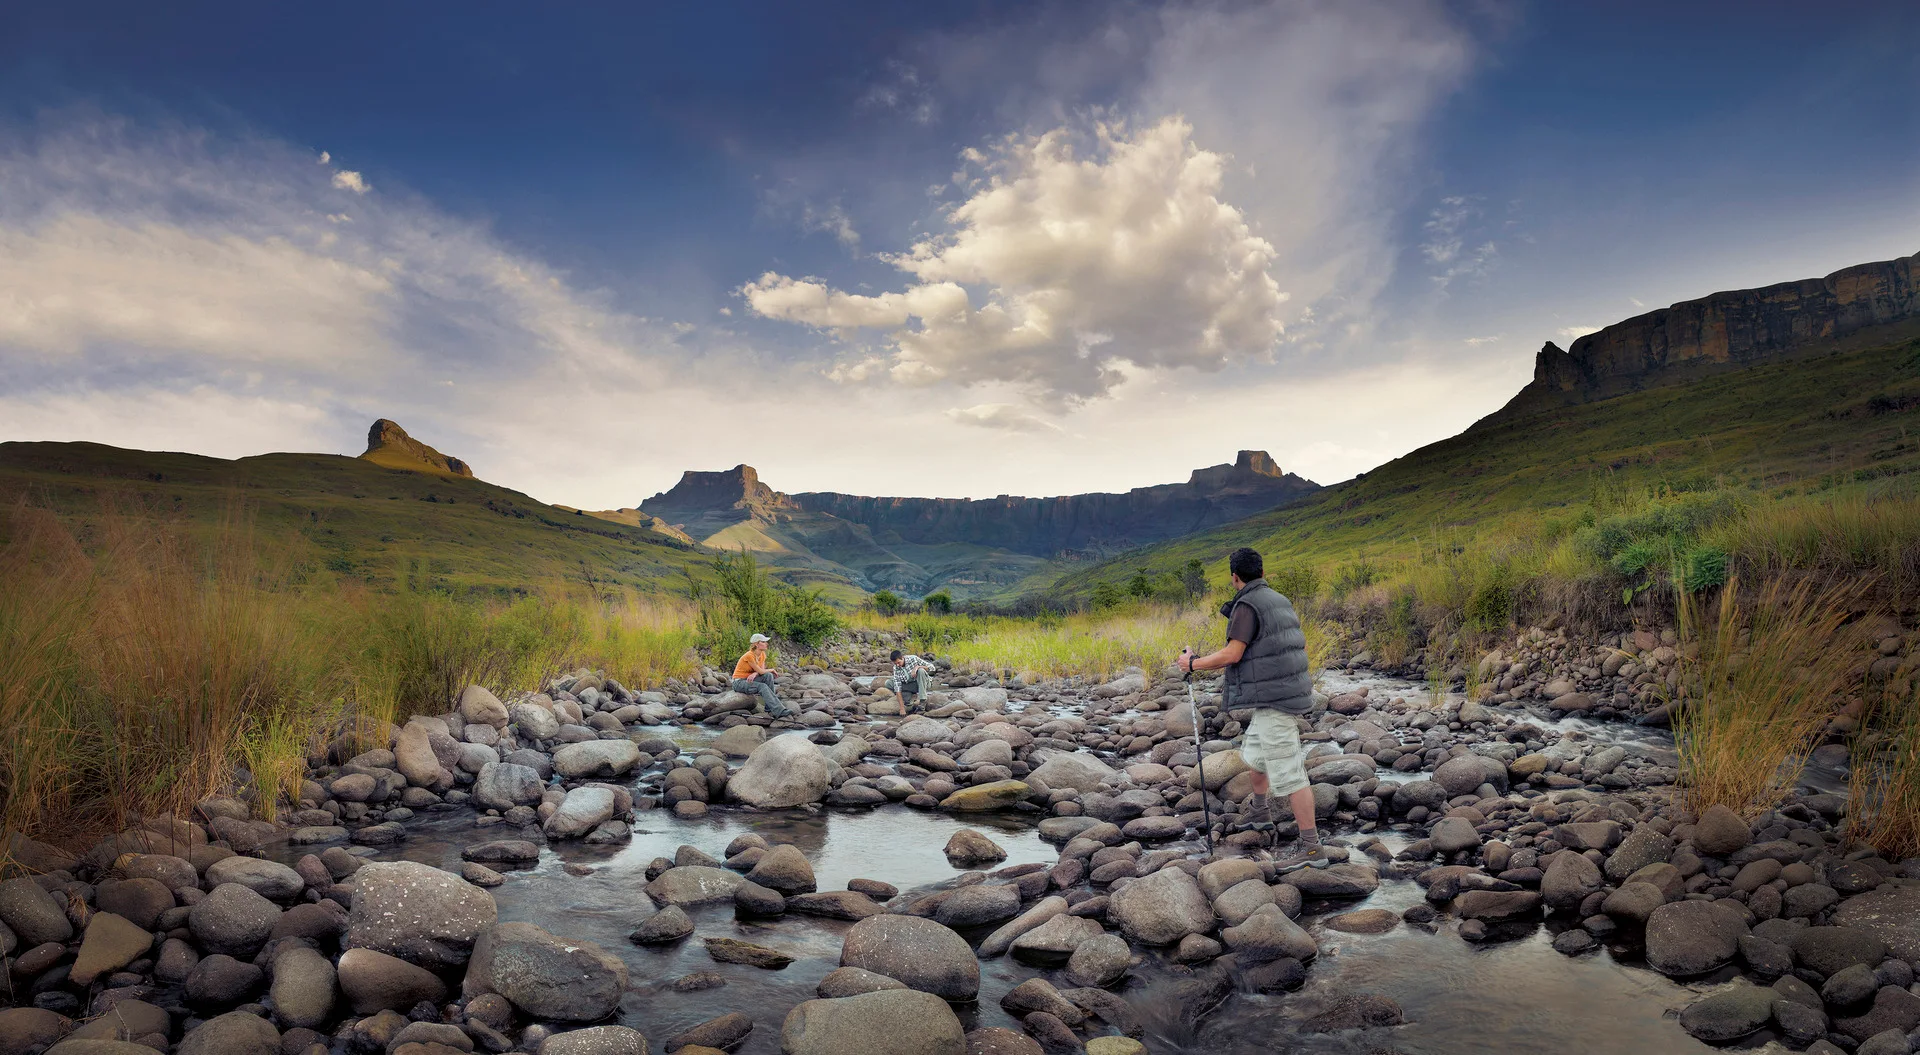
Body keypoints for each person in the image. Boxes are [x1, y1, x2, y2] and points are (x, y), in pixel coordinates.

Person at [1178, 546, 1324, 872]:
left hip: (1276, 700)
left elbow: (1233, 654)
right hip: (1281, 694)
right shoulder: (1278, 599)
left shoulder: (1248, 603)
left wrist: (1193, 663)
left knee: (1291, 774)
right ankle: (1260, 816)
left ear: (1234, 577)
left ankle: (1313, 850)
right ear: (1261, 571)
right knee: (1256, 757)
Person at [732, 633, 792, 718]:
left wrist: (754, 673)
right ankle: (779, 711)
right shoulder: (749, 655)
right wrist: (771, 669)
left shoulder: (762, 654)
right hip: (739, 682)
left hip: (749, 680)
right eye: (763, 642)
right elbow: (761, 670)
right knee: (762, 686)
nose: (766, 643)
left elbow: (762, 670)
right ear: (756, 644)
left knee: (768, 676)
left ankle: (769, 708)